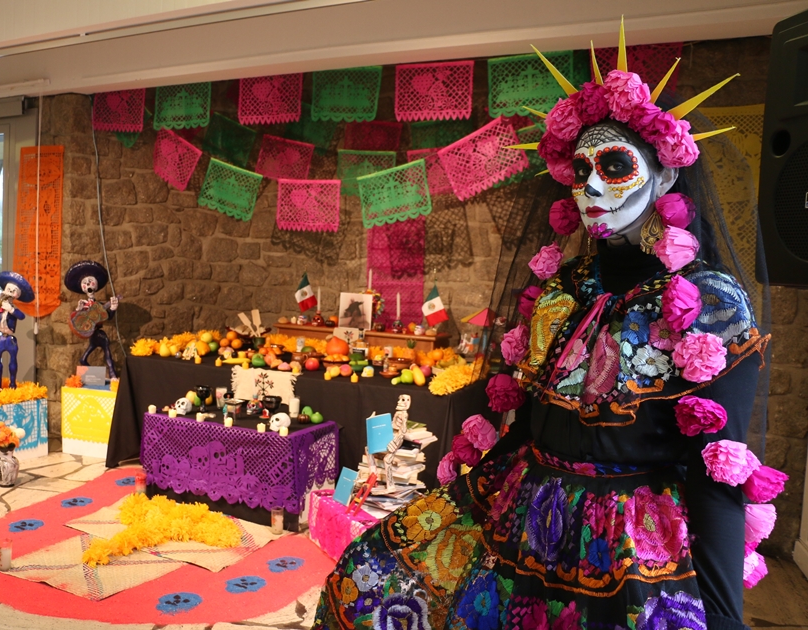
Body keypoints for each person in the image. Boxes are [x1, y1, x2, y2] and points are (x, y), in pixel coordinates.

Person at [313, 24, 778, 630]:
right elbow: (528, 422)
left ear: (664, 176)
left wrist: (725, 615)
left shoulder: (708, 303)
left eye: (614, 165)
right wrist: (454, 500)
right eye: (581, 168)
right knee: (366, 577)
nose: (590, 186)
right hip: (528, 507)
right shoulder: (561, 289)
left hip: (632, 540)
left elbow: (718, 465)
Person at [65, 260, 119, 379]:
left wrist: (113, 308)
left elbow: (107, 316)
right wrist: (79, 310)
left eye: (91, 282)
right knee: (83, 359)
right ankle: (95, 378)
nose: (89, 284)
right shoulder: (83, 304)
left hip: (100, 334)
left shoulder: (99, 305)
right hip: (92, 336)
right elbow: (79, 320)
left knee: (108, 355)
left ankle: (113, 375)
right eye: (85, 283)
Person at [0, 270, 34, 390]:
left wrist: (11, 310)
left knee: (12, 361)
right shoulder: (0, 305)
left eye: (13, 292)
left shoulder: (12, 308)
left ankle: (12, 383)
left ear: (16, 296)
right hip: (0, 337)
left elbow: (22, 316)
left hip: (10, 338)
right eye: (8, 290)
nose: (10, 293)